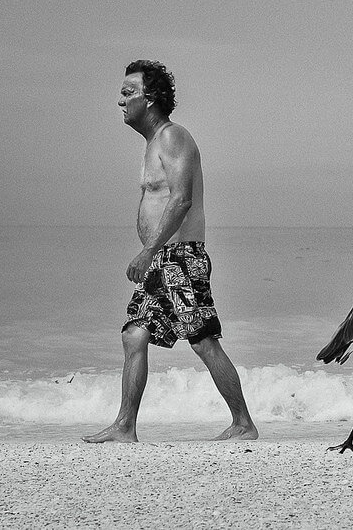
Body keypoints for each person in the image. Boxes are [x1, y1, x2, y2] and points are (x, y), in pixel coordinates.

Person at [83, 60, 258, 443]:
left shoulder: (172, 137)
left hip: (180, 258)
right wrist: (152, 254)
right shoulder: (153, 144)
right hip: (161, 259)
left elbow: (181, 199)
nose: (121, 101)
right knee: (134, 335)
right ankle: (125, 426)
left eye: (128, 93)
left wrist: (148, 250)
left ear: (150, 98)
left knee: (202, 340)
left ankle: (243, 423)